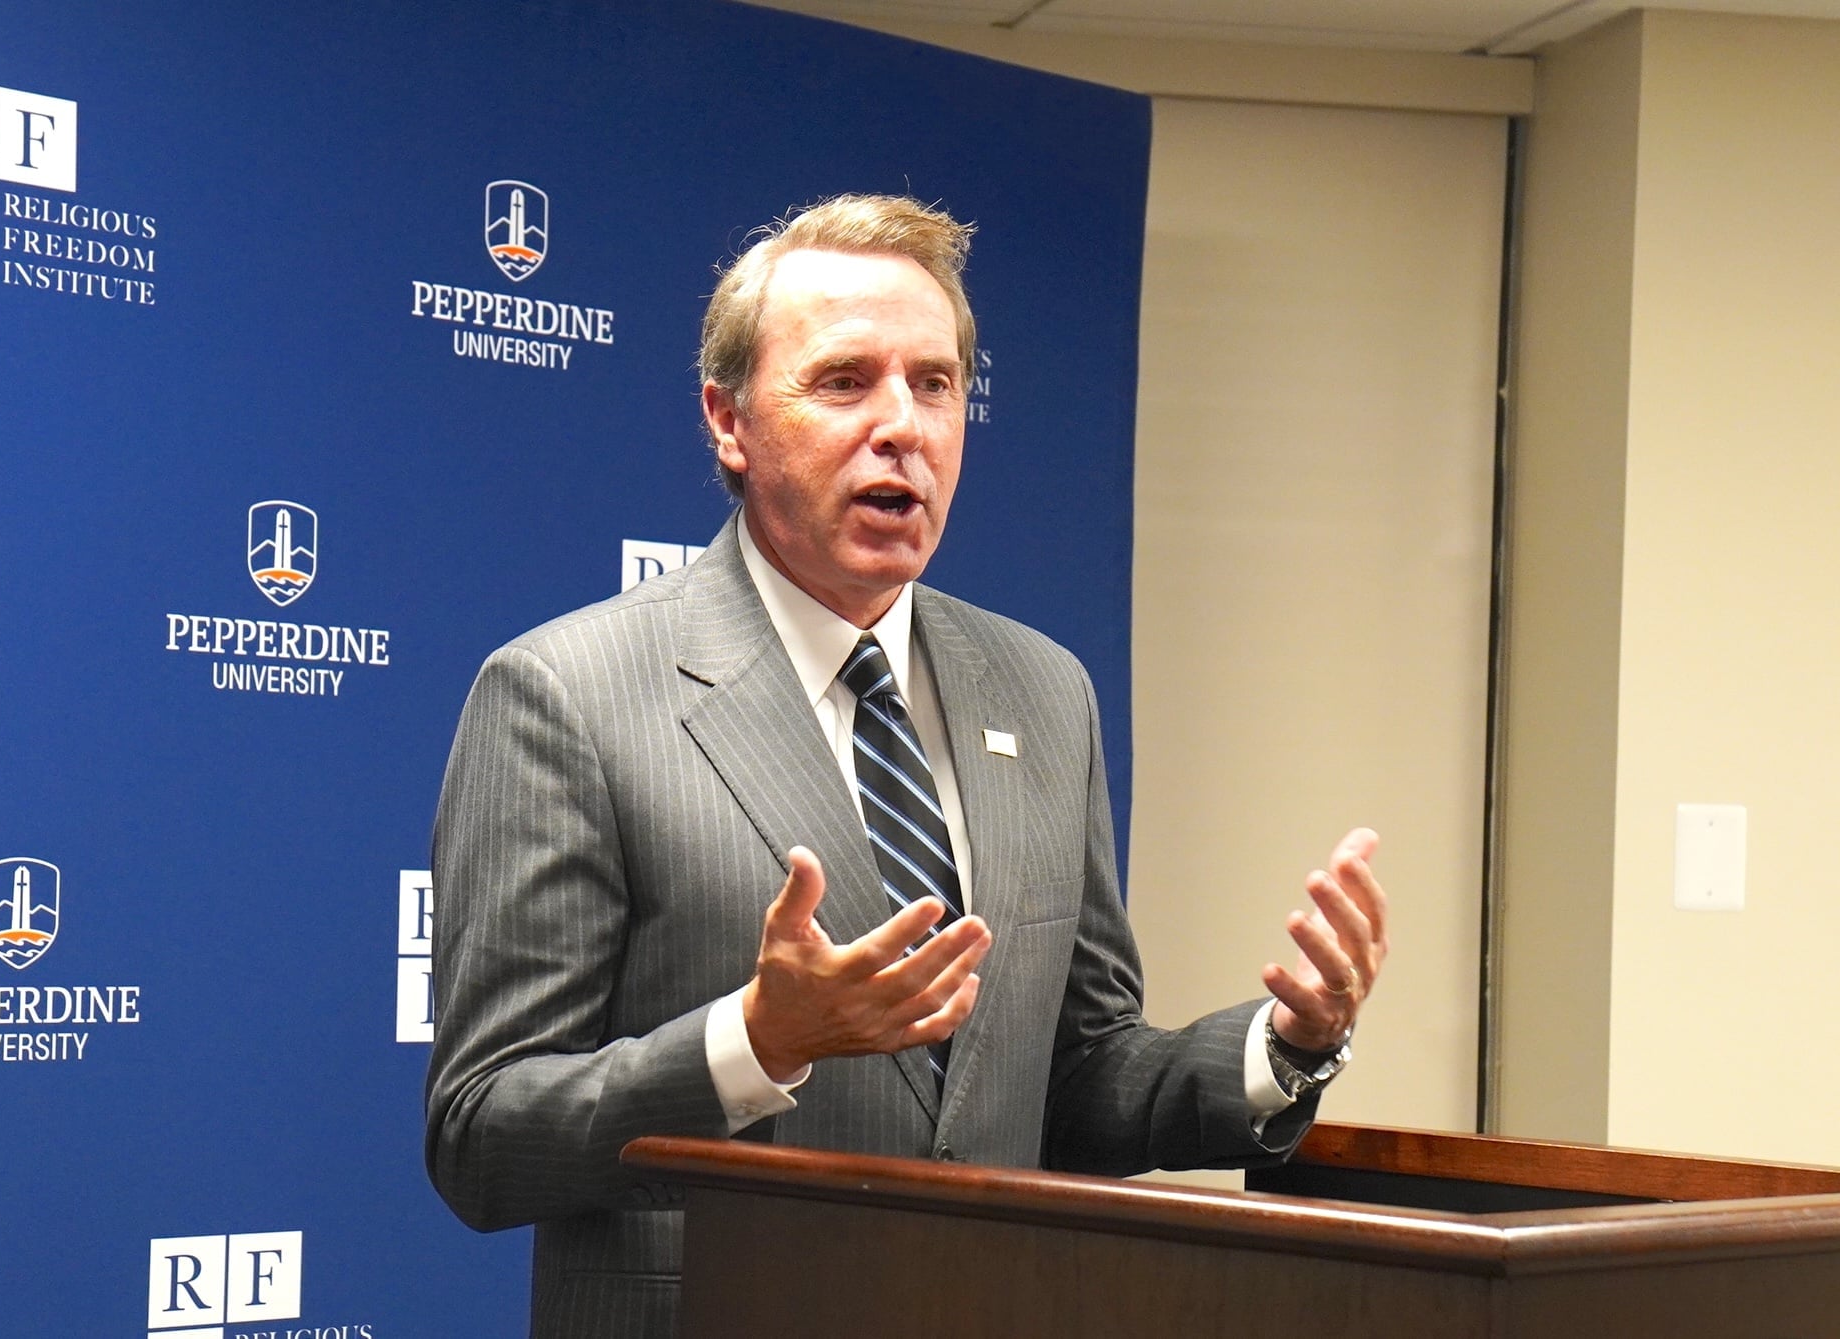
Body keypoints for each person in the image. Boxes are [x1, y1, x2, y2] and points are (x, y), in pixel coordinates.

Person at [425, 194, 1389, 1339]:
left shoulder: (1043, 691)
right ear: (728, 421)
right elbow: (482, 1135)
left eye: (933, 384)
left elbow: (1074, 1077)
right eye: (844, 382)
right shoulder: (565, 695)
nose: (903, 426)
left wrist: (1281, 1047)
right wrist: (757, 1040)